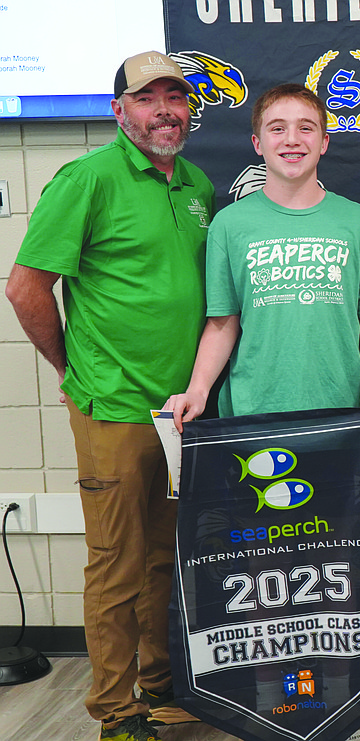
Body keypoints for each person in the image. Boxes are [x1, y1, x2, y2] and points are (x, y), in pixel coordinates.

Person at [5, 52, 214, 741]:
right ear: (119, 110)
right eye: (147, 98)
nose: (165, 110)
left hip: (181, 412)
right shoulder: (87, 177)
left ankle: (158, 687)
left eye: (176, 98)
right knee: (118, 565)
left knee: (164, 558)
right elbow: (26, 286)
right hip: (113, 409)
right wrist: (74, 372)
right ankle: (115, 711)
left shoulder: (196, 183)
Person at [165, 83, 360, 426]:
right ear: (258, 144)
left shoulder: (359, 222)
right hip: (253, 411)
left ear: (324, 142)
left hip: (342, 410)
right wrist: (198, 389)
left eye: (306, 128)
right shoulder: (229, 224)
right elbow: (222, 322)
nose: (292, 139)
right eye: (278, 128)